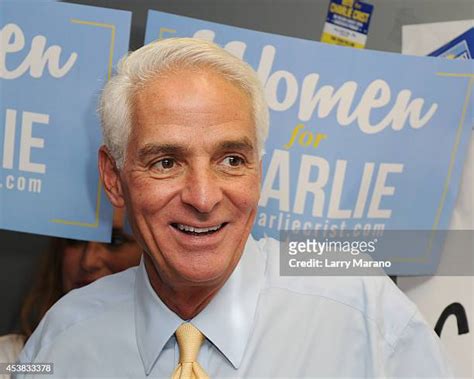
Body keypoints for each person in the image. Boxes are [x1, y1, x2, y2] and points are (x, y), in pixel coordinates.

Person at [17, 38, 452, 378]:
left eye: (231, 160)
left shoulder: (365, 312)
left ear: (259, 171)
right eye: (166, 162)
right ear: (114, 178)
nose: (204, 199)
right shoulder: (63, 342)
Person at [0, 209, 141, 374]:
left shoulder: (174, 363)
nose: (88, 261)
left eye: (115, 241)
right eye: (75, 239)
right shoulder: (9, 361)